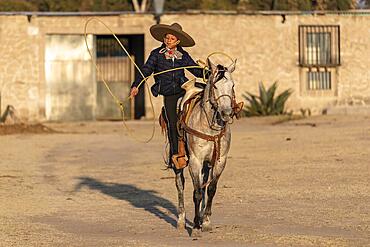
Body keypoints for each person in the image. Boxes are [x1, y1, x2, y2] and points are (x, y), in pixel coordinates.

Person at [130, 23, 204, 169]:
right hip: (168, 92)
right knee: (172, 122)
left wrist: (209, 73)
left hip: (183, 89)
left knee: (202, 99)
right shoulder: (156, 54)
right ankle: (176, 155)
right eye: (167, 37)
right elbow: (145, 70)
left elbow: (195, 70)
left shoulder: (183, 55)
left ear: (177, 41)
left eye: (172, 38)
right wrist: (136, 85)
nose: (169, 40)